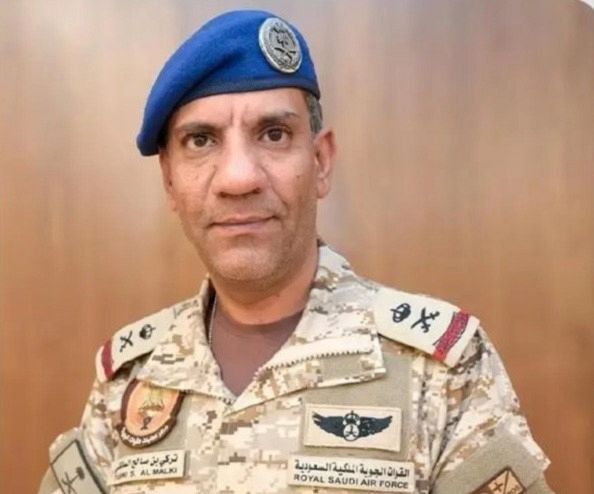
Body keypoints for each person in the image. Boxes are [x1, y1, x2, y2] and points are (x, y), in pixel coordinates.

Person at [39, 9, 554, 494]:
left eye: (273, 134)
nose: (238, 177)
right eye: (201, 140)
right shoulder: (130, 378)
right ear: (170, 181)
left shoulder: (440, 370)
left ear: (320, 162)